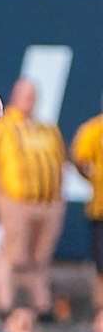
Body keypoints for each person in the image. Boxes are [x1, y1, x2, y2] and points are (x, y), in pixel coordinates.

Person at [0, 77, 66, 317]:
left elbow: (60, 163)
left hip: (48, 202)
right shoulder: (3, 127)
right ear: (14, 96)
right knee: (13, 254)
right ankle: (5, 304)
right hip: (16, 201)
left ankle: (41, 304)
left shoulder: (47, 128)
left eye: (32, 95)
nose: (29, 100)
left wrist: (59, 197)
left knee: (40, 256)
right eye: (24, 94)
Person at [70, 97, 103, 311]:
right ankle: (101, 312)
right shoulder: (93, 130)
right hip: (100, 210)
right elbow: (81, 161)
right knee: (101, 266)